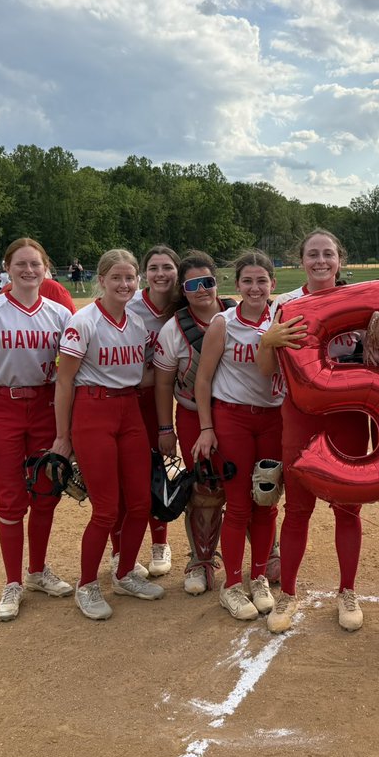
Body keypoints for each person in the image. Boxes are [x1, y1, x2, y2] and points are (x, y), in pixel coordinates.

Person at [258, 229, 371, 634]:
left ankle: (347, 590)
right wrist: (267, 342)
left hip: (349, 413)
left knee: (347, 507)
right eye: (312, 254)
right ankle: (287, 592)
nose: (320, 261)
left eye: (328, 254)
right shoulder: (286, 304)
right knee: (299, 508)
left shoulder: (362, 300)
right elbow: (267, 371)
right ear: (301, 259)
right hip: (302, 413)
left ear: (340, 259)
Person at [0, 238, 75, 621]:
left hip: (43, 406)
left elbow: (69, 372)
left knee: (46, 491)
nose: (29, 271)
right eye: (21, 264)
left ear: (46, 269)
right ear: (7, 268)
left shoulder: (58, 314)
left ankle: (38, 571)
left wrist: (66, 430)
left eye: (35, 265)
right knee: (10, 498)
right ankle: (13, 582)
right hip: (1, 405)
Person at [50, 249, 164, 619]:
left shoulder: (137, 322)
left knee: (141, 503)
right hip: (93, 411)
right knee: (106, 509)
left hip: (129, 410)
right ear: (101, 280)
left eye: (130, 278)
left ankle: (125, 571)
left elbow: (145, 373)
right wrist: (63, 437)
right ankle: (86, 585)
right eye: (116, 277)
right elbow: (64, 381)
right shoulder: (83, 321)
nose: (124, 284)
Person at [190, 251, 284, 622]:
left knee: (266, 501)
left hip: (273, 419)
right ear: (237, 285)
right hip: (233, 418)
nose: (256, 287)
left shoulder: (283, 319)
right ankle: (231, 584)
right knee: (239, 504)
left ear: (273, 284)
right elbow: (203, 379)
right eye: (248, 281)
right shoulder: (222, 323)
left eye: (262, 280)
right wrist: (206, 427)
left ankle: (258, 575)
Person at [153, 251, 235, 594]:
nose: (203, 290)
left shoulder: (238, 315)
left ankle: (267, 551)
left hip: (236, 413)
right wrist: (164, 429)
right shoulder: (174, 328)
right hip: (190, 413)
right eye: (193, 284)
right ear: (182, 291)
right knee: (204, 486)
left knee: (251, 482)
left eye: (208, 282)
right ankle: (201, 559)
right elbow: (162, 383)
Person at [112, 245, 181, 582]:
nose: (161, 274)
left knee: (159, 469)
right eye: (153, 268)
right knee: (122, 477)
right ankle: (118, 551)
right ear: (144, 274)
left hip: (160, 399)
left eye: (167, 267)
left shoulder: (182, 306)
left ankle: (160, 544)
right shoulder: (130, 304)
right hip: (128, 396)